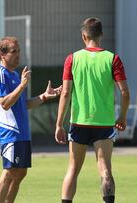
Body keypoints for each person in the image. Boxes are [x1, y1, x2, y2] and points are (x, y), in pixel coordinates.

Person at [55, 17, 130, 203]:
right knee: (105, 168)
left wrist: (59, 124)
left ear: (83, 36)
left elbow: (65, 93)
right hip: (104, 122)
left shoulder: (72, 58)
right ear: (102, 35)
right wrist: (122, 117)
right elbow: (125, 92)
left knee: (73, 169)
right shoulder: (113, 58)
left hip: (79, 121)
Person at [0, 36, 62, 203]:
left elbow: (23, 104)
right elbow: (5, 104)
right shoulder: (0, 75)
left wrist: (44, 96)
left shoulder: (15, 74)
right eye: (14, 51)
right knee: (9, 172)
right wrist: (22, 86)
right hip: (10, 133)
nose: (18, 55)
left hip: (23, 133)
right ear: (2, 54)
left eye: (19, 51)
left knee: (21, 172)